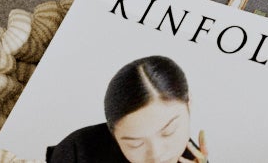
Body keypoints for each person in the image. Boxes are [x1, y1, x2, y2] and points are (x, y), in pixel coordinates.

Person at [45, 57, 203, 163]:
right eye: (136, 144)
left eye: (169, 132)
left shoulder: (192, 157)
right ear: (113, 134)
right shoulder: (77, 152)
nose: (156, 155)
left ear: (189, 104)